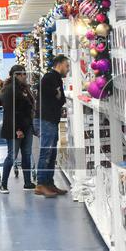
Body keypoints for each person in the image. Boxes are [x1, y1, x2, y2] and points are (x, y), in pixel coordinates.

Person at [35, 55, 70, 197]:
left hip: (51, 120)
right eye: (67, 66)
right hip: (45, 120)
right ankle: (40, 184)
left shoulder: (57, 80)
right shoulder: (49, 78)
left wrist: (58, 95)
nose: (68, 69)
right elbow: (45, 91)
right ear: (60, 64)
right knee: (46, 152)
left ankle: (49, 183)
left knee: (52, 153)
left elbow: (61, 99)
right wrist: (56, 95)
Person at [0, 65, 35, 194]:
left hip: (27, 126)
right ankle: (3, 185)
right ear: (16, 75)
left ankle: (27, 182)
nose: (25, 76)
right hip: (15, 128)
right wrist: (18, 129)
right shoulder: (9, 90)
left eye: (25, 73)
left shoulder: (24, 88)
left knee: (27, 154)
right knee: (12, 156)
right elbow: (11, 112)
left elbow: (28, 107)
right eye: (23, 74)